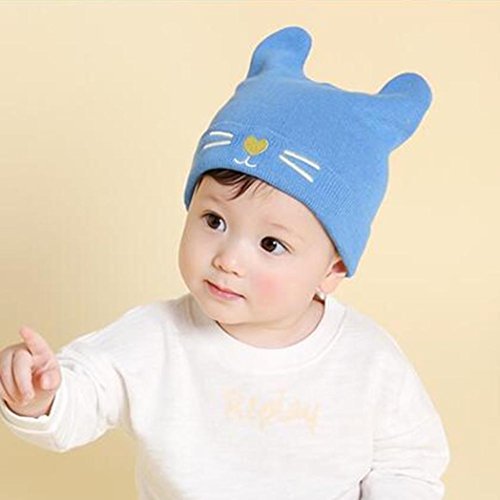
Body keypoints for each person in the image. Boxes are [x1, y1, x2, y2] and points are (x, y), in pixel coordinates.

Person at [0, 25, 450, 499]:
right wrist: (40, 394)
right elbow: (85, 392)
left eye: (271, 244)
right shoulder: (154, 339)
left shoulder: (367, 361)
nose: (229, 259)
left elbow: (409, 465)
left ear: (333, 268)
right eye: (214, 220)